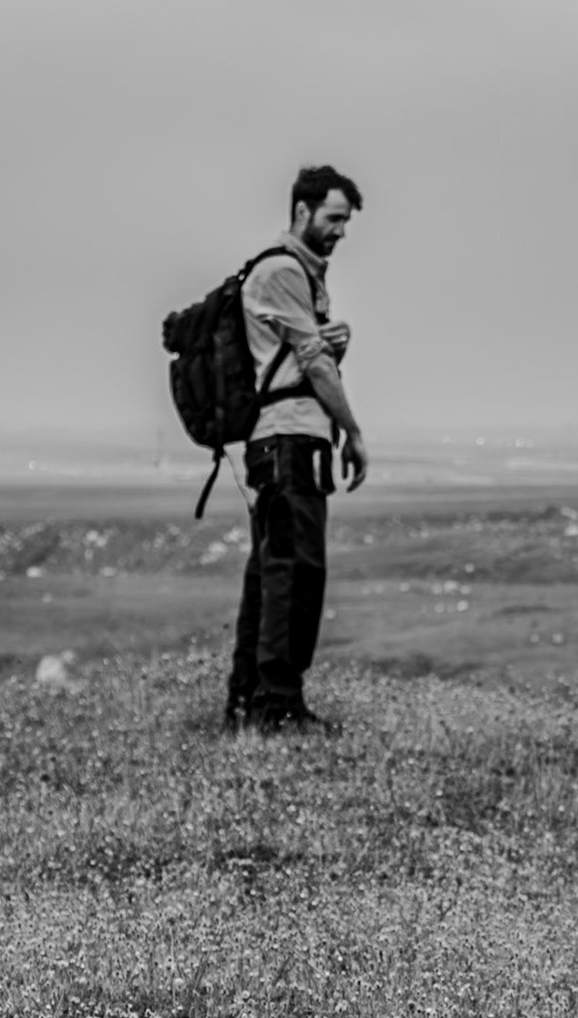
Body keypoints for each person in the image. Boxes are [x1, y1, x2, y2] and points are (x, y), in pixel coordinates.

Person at [225, 165, 369, 733]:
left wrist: (337, 345)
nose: (341, 231)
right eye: (334, 218)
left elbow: (300, 360)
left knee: (269, 575)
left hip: (280, 441)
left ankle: (248, 702)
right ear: (302, 212)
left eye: (346, 222)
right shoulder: (285, 270)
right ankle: (278, 706)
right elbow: (311, 364)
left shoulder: (297, 276)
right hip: (290, 443)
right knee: (297, 574)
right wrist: (352, 432)